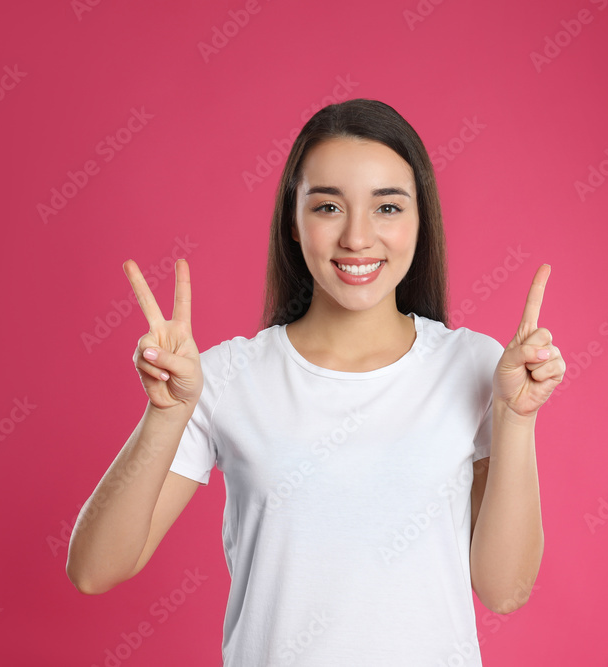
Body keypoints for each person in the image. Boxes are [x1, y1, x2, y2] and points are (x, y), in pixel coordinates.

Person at [66, 98, 565, 665]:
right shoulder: (225, 377)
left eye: (388, 207)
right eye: (328, 206)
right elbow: (92, 570)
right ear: (293, 222)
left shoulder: (472, 365)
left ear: (420, 221)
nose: (357, 238)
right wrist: (164, 415)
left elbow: (505, 590)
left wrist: (516, 419)